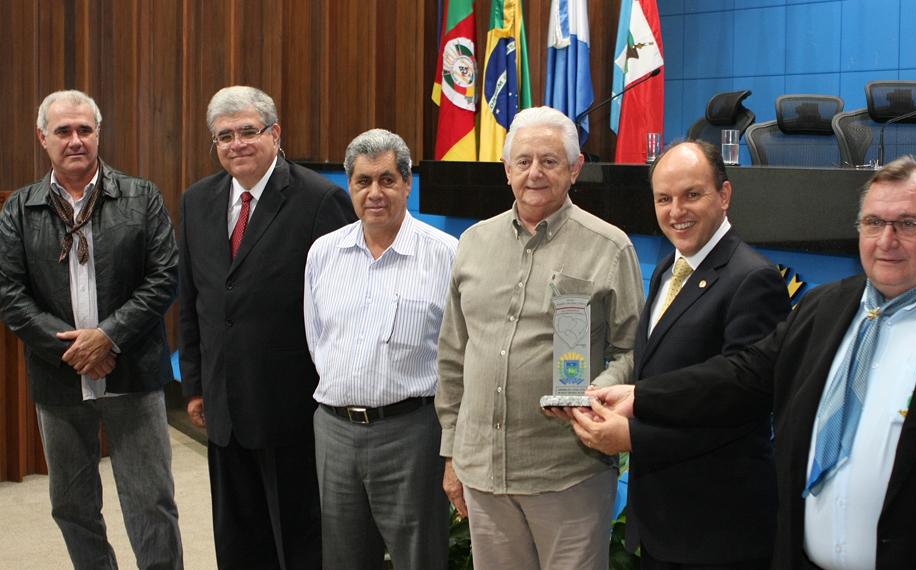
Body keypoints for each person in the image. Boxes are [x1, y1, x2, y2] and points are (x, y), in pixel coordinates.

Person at [584, 157, 916, 569]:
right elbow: (743, 375)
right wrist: (644, 395)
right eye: (873, 222)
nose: (886, 240)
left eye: (908, 224)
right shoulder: (824, 308)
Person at [436, 106, 645, 570]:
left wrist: (593, 393)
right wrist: (452, 453)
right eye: (523, 161)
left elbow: (631, 349)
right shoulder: (472, 243)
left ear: (575, 169)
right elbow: (453, 354)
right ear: (506, 169)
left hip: (567, 474)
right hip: (483, 473)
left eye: (550, 161)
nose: (535, 173)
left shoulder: (610, 247)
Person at [573, 140, 789, 569]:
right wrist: (617, 392)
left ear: (724, 195)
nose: (676, 211)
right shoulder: (671, 267)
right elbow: (659, 371)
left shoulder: (753, 279)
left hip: (718, 530)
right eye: (664, 198)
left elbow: (741, 406)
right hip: (664, 524)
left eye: (692, 194)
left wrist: (634, 436)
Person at [0, 89, 182, 568]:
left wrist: (108, 337)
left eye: (85, 129)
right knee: (72, 506)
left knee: (151, 504)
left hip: (132, 373)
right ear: (43, 138)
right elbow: (9, 293)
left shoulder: (141, 197)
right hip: (59, 378)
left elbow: (164, 277)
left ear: (99, 133)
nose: (75, 139)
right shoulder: (20, 209)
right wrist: (75, 349)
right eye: (63, 131)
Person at [178, 85, 356, 569]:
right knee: (237, 543)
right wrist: (194, 386)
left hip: (292, 411)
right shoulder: (197, 201)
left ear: (275, 134)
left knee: (300, 544)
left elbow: (340, 311)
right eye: (224, 136)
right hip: (223, 408)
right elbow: (193, 302)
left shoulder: (321, 201)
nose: (236, 144)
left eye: (248, 132)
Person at [303, 129, 454, 569]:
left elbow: (455, 356)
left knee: (418, 557)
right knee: (344, 558)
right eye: (362, 181)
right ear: (348, 187)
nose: (375, 193)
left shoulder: (445, 254)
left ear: (408, 184)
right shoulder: (323, 253)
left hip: (411, 433)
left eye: (387, 180)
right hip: (334, 432)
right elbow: (318, 341)